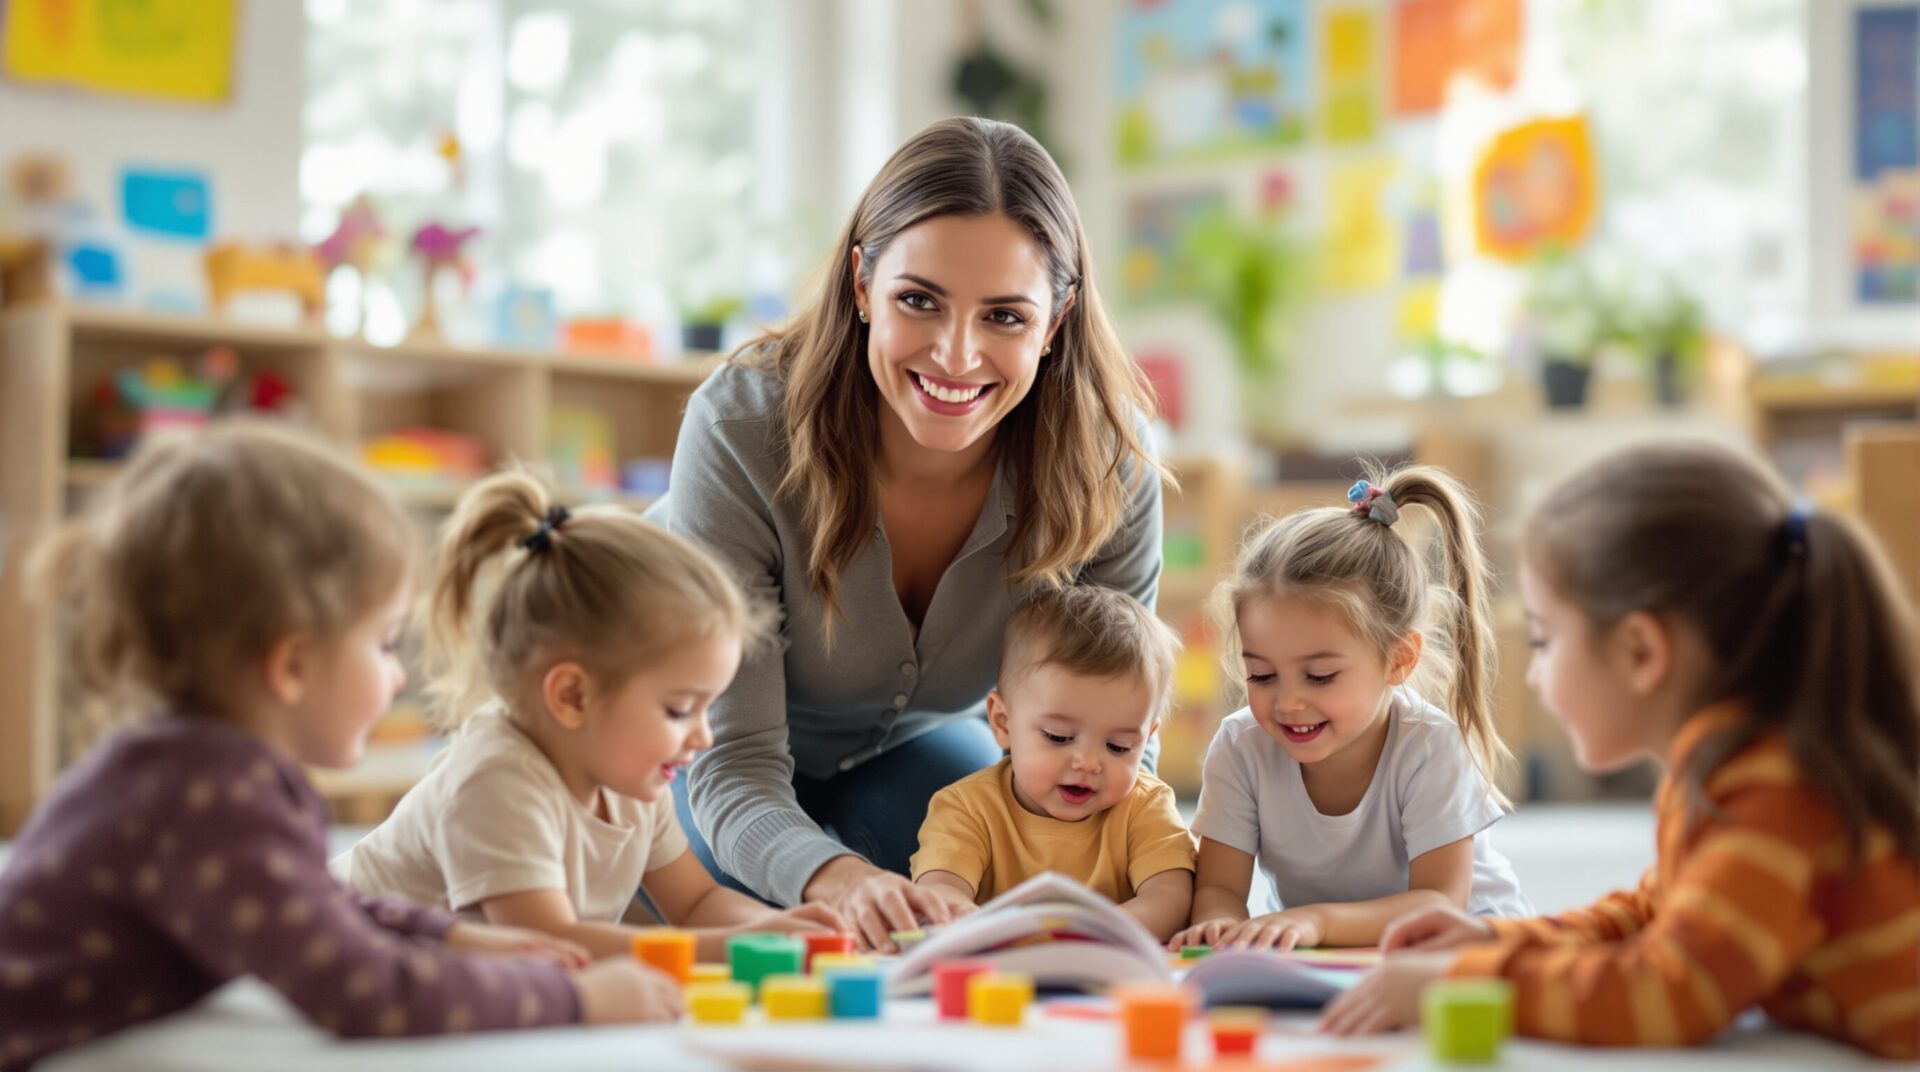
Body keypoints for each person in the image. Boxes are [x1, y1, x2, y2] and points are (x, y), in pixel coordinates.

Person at [0, 426, 674, 1072]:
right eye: (383, 644)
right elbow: (366, 994)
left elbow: (312, 900)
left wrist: (446, 935)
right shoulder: (210, 795)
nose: (398, 674)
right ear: (292, 665)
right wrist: (577, 1001)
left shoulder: (195, 767)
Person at [655, 116, 1167, 950]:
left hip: (913, 752)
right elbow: (731, 762)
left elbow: (1116, 757)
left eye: (1005, 316)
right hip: (702, 760)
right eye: (918, 301)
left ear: (1058, 318)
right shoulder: (741, 427)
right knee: (767, 936)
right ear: (861, 283)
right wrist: (841, 878)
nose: (956, 355)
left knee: (999, 898)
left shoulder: (1110, 471)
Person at [1321, 441, 1918, 1060]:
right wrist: (1494, 939)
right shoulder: (1734, 772)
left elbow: (1671, 992)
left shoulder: (1776, 795)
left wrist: (1467, 981)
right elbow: (1651, 917)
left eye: (1545, 640)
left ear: (1640, 653)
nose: (1533, 675)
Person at [339, 471, 846, 963]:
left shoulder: (631, 777)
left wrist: (774, 930)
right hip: (347, 964)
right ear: (573, 697)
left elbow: (695, 904)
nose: (703, 735)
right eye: (677, 709)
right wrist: (736, 950)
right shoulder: (497, 779)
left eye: (706, 708)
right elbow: (548, 945)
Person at [1169, 467, 1529, 955]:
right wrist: (1218, 924)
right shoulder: (1241, 746)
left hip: (1465, 944)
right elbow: (1219, 888)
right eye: (1261, 675)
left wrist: (1316, 921)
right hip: (1337, 950)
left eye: (1319, 677)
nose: (1288, 703)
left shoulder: (1429, 745)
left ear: (1399, 659)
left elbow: (1439, 905)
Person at [910, 586, 1194, 940]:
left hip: (1108, 974)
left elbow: (1171, 898)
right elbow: (941, 895)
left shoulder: (1145, 807)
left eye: (1119, 746)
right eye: (1059, 737)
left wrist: (1081, 933)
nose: (1089, 763)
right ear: (1002, 723)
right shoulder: (965, 808)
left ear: (1146, 738)